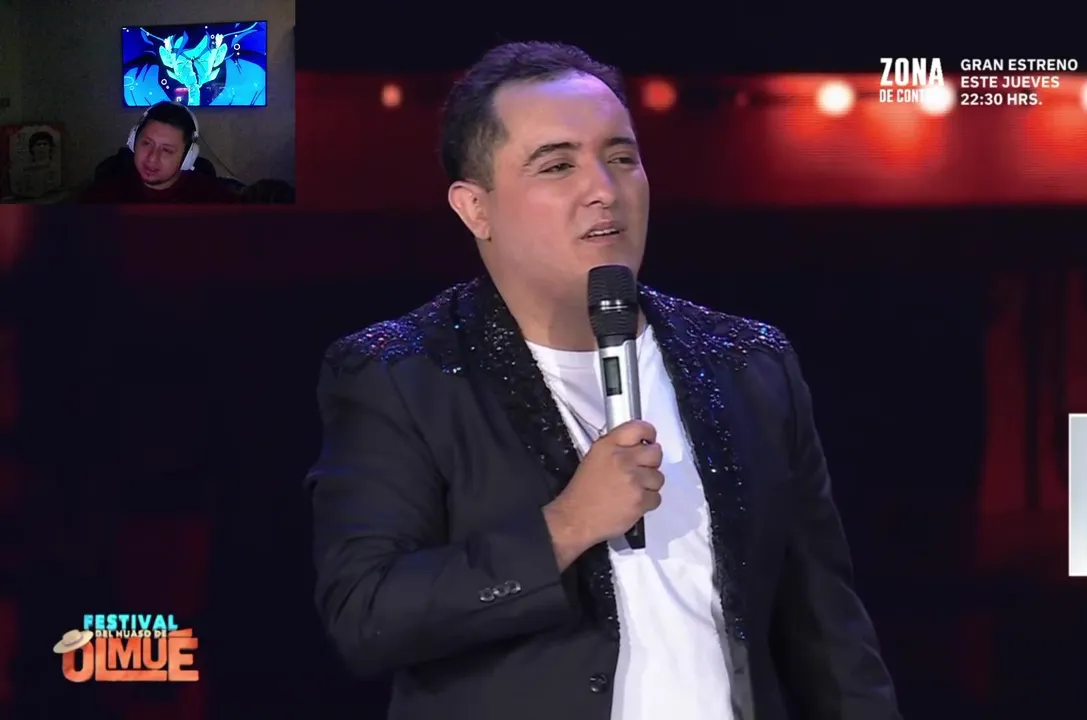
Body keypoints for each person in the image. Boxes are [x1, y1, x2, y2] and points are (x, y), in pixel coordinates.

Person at [307, 42, 901, 720]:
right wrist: (565, 526)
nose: (604, 190)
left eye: (621, 158)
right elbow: (367, 614)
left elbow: (830, 642)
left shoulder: (747, 363)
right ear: (475, 208)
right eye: (558, 165)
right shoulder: (400, 373)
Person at [79, 101, 237, 203]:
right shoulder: (103, 196)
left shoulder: (213, 201)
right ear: (133, 142)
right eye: (146, 143)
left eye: (167, 150)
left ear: (187, 157)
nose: (152, 158)